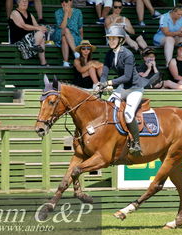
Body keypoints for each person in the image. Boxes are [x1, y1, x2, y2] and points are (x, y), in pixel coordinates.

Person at [96, 26, 150, 156]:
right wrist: (101, 83)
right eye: (109, 39)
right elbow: (105, 72)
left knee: (128, 113)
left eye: (114, 39)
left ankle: (136, 143)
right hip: (123, 87)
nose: (111, 41)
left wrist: (109, 83)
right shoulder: (109, 54)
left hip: (134, 88)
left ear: (121, 40)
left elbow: (127, 77)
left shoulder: (128, 54)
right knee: (107, 108)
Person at [8, 0, 48, 66]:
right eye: (22, 1)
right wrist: (38, 28)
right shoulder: (14, 12)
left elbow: (37, 26)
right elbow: (23, 26)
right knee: (40, 33)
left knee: (41, 34)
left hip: (29, 40)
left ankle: (42, 61)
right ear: (18, 2)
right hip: (19, 42)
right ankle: (30, 51)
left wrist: (43, 28)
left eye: (26, 1)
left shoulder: (29, 14)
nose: (25, 2)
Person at [54, 0, 83, 67]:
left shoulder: (78, 12)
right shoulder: (58, 12)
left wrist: (81, 41)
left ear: (71, 2)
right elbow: (62, 27)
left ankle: (65, 62)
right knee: (66, 30)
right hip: (59, 33)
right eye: (62, 1)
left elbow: (80, 28)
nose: (64, 3)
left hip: (74, 36)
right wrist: (66, 13)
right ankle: (75, 52)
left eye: (66, 1)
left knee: (64, 38)